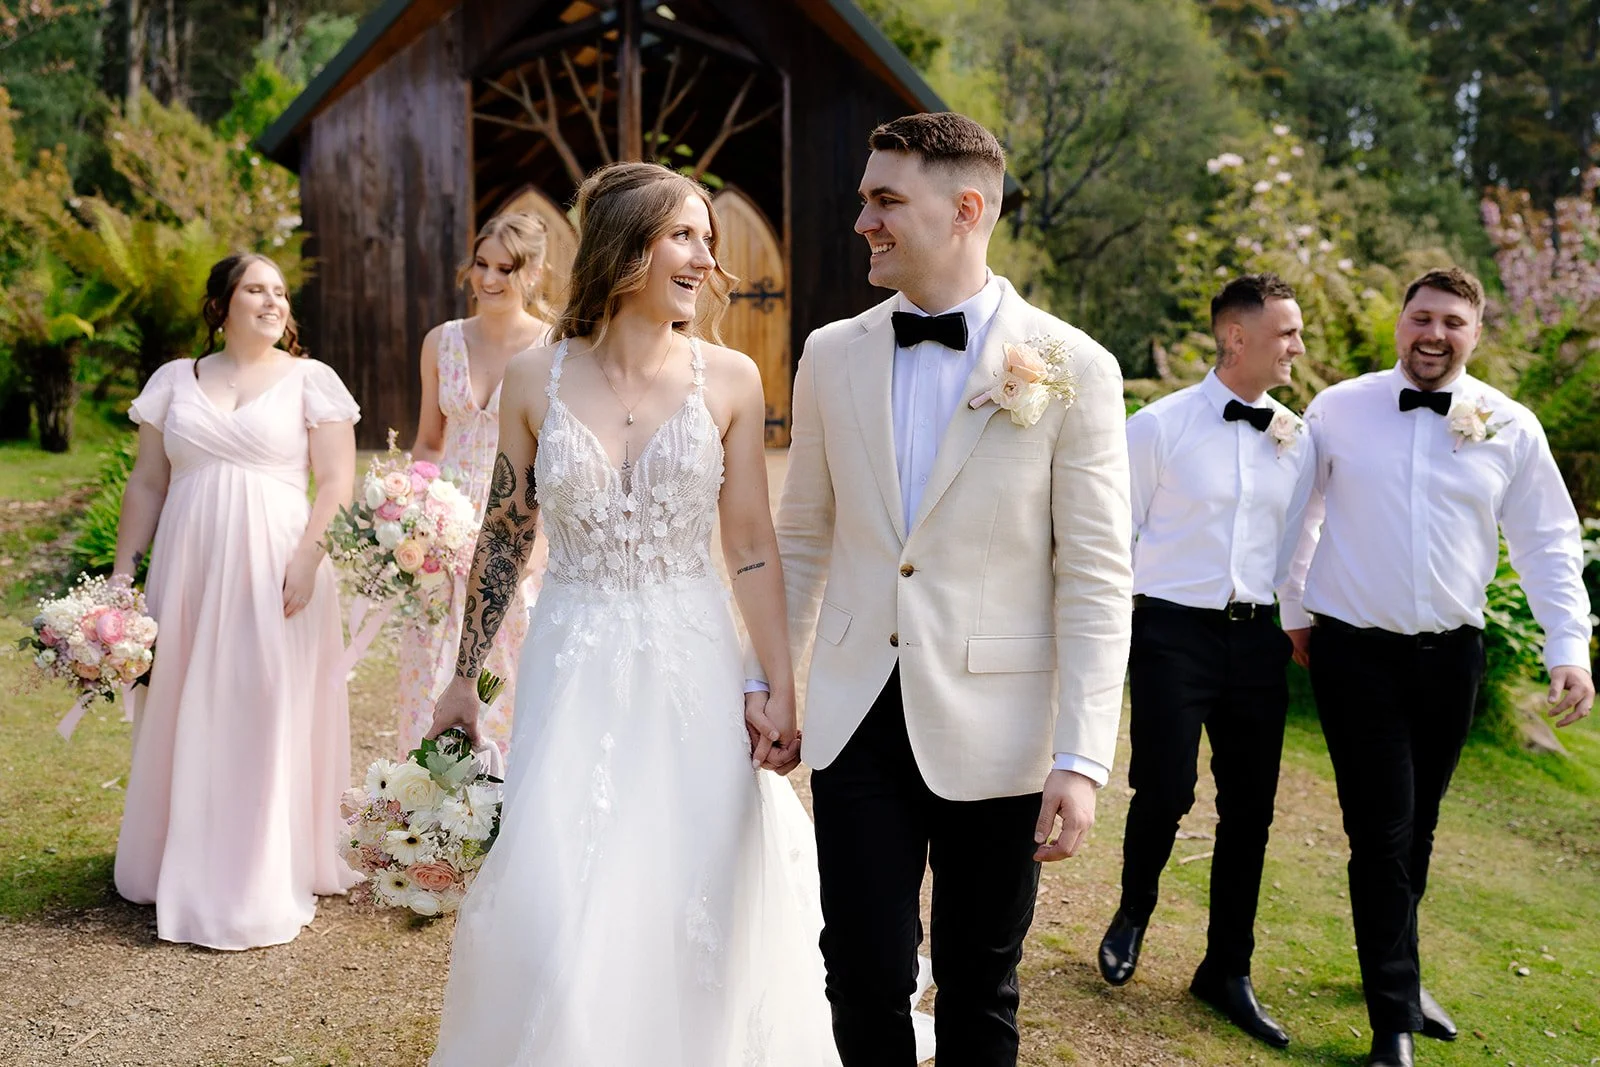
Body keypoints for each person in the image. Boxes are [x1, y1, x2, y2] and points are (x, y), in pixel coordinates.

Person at [424, 162, 849, 1066]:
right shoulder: (536, 379)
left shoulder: (731, 379)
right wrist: (464, 675)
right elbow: (504, 535)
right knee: (557, 881)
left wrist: (779, 683)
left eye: (708, 239)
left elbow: (751, 547)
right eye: (685, 236)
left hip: (693, 656)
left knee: (690, 871)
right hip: (572, 656)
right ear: (627, 247)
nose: (707, 258)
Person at [747, 112, 1133, 1066]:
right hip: (856, 714)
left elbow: (1094, 577)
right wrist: (774, 684)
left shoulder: (1074, 367)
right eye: (865, 199)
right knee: (861, 971)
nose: (862, 221)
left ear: (966, 209)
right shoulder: (831, 352)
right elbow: (802, 539)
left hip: (998, 726)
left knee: (978, 983)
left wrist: (1081, 757)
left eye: (886, 200)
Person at [1280, 267, 1594, 1067]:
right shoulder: (1339, 408)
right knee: (1381, 829)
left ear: (1475, 334)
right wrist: (1295, 606)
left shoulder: (1509, 425)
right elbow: (1298, 511)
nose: (1434, 333)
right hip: (1357, 650)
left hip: (1453, 657)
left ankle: (1398, 968)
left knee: (1417, 827)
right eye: (1422, 316)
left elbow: (1548, 541)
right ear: (1399, 323)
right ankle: (1392, 1017)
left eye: (1452, 321)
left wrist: (1568, 646)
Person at [110, 253, 361, 950]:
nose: (272, 300)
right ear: (220, 304)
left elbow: (338, 482)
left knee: (261, 702)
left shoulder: (313, 381)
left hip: (278, 568)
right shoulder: (174, 381)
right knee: (183, 701)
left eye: (280, 291)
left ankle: (257, 870)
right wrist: (123, 576)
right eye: (256, 288)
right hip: (187, 571)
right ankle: (174, 854)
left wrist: (310, 556)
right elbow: (148, 484)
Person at [1096, 273, 1314, 1049]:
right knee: (1165, 787)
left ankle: (1227, 967)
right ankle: (1134, 909)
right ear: (1237, 337)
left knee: (1250, 809)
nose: (1297, 345)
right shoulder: (1157, 427)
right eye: (1286, 332)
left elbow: (1300, 541)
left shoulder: (1298, 435)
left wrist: (1299, 619)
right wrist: (1114, 628)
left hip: (1259, 641)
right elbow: (1114, 533)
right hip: (1171, 634)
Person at [398, 213, 554, 754]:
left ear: (533, 273)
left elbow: (565, 454)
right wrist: (409, 513)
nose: (488, 279)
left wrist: (544, 543)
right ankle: (423, 814)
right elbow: (428, 442)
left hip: (520, 521)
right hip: (442, 533)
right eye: (481, 264)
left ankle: (504, 819)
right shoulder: (441, 343)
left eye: (505, 268)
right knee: (429, 678)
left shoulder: (555, 348)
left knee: (507, 679)